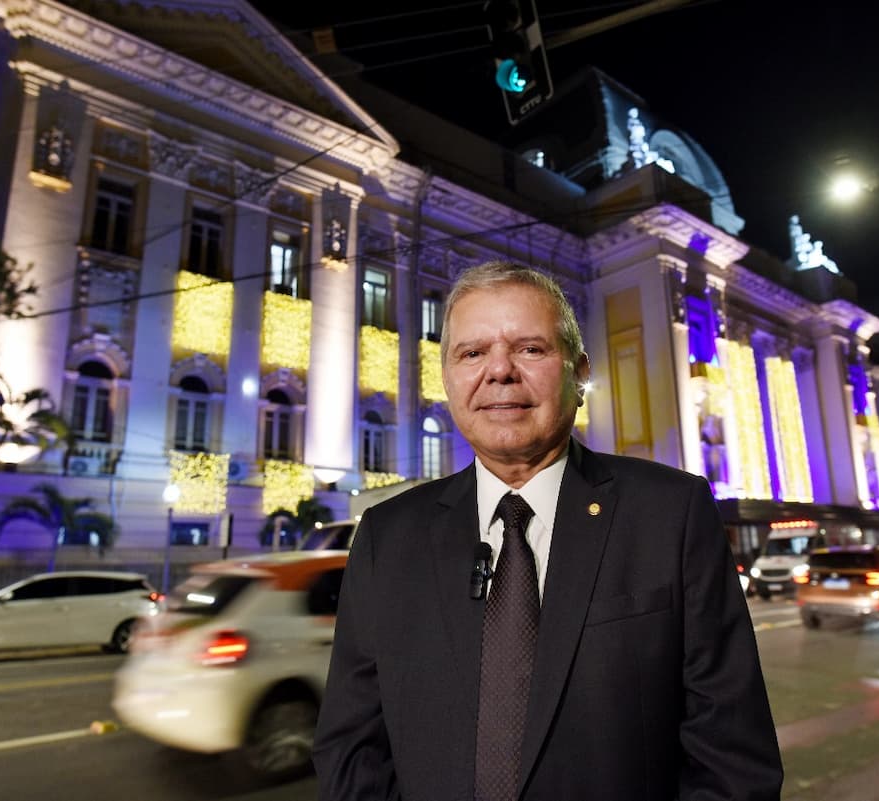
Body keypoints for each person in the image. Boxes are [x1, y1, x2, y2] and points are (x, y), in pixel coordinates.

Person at [313, 261, 783, 801]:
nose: (500, 371)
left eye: (530, 349)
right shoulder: (386, 537)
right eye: (471, 353)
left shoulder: (671, 513)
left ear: (580, 374)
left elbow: (733, 761)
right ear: (447, 380)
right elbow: (350, 749)